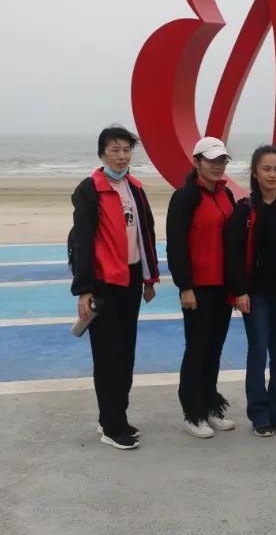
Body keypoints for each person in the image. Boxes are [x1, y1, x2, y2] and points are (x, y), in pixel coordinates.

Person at [69, 125, 159, 450]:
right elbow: (82, 242)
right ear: (102, 154)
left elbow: (146, 234)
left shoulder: (134, 188)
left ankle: (114, 415)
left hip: (131, 280)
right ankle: (111, 426)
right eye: (114, 150)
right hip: (104, 283)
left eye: (126, 150)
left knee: (126, 354)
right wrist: (84, 290)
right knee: (108, 357)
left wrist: (149, 278)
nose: (121, 156)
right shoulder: (89, 190)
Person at [225, 145, 276, 437]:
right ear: (255, 173)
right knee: (258, 352)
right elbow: (233, 254)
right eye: (266, 169)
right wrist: (240, 291)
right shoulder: (245, 209)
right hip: (256, 295)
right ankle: (259, 414)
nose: (272, 175)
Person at [165, 137, 237, 438]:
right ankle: (192, 413)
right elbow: (176, 245)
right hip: (198, 288)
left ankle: (210, 406)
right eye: (211, 160)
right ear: (197, 162)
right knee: (197, 349)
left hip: (222, 287)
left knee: (214, 349)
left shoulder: (225, 194)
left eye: (222, 160)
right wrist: (185, 286)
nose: (217, 166)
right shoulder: (185, 197)